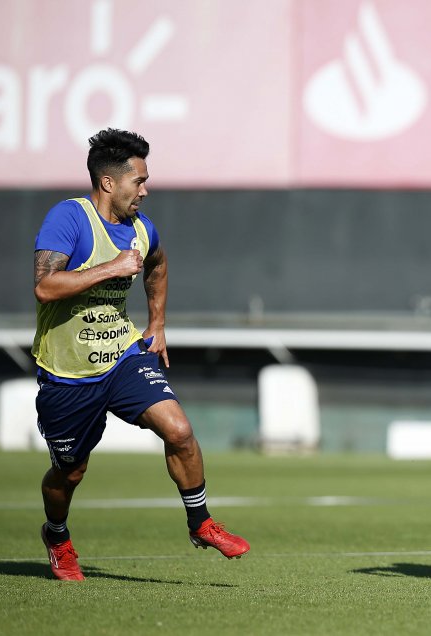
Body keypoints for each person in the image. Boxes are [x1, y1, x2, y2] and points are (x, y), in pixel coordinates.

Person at [32, 128, 250, 581]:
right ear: (109, 182)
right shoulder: (69, 218)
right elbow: (45, 286)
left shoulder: (142, 229)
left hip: (123, 355)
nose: (145, 190)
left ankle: (201, 522)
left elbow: (159, 264)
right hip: (68, 373)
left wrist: (157, 324)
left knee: (180, 430)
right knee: (69, 474)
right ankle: (57, 535)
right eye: (139, 180)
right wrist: (110, 267)